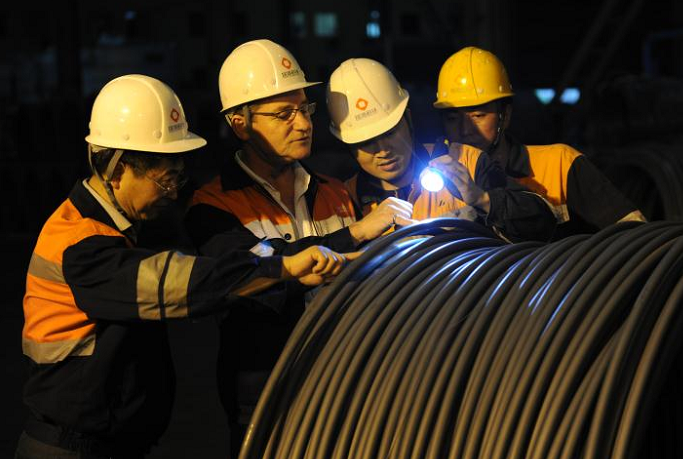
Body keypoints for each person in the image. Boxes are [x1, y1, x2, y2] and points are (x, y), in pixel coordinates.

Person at [16, 74, 355, 459]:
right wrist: (281, 269)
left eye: (177, 179)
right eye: (164, 182)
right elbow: (174, 282)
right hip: (69, 449)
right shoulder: (82, 245)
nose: (173, 194)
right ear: (118, 168)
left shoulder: (111, 231)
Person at [185, 39, 412, 457]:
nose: (304, 123)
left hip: (344, 392)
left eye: (304, 108)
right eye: (283, 114)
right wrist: (353, 235)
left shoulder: (333, 192)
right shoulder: (213, 206)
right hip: (266, 403)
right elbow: (251, 274)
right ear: (240, 124)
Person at [326, 57, 557, 242]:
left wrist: (482, 198)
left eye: (389, 133)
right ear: (348, 145)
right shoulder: (345, 198)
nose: (382, 150)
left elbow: (544, 223)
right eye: (365, 142)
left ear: (408, 120)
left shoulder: (466, 162)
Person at [433, 46, 645, 238]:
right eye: (452, 119)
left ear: (505, 117)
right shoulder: (433, 185)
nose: (465, 130)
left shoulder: (559, 164)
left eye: (478, 116)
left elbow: (635, 236)